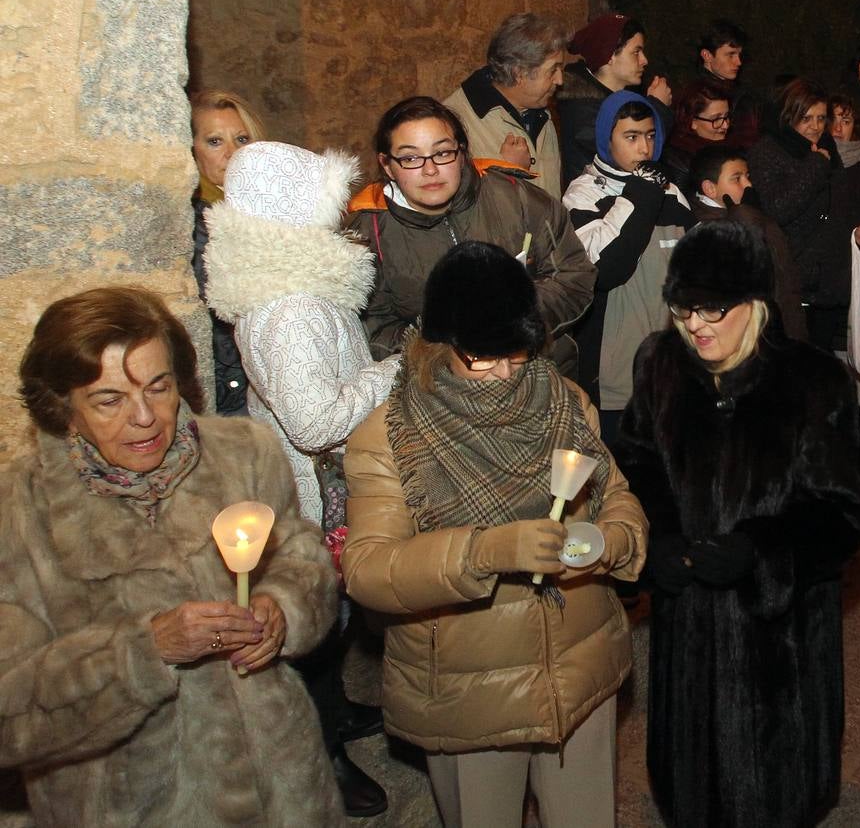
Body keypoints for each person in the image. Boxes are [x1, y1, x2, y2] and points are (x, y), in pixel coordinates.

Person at [2, 286, 343, 826]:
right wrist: (145, 651)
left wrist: (282, 608)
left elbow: (302, 559)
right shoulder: (20, 513)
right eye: (109, 399)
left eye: (159, 388)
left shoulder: (244, 453)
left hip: (285, 795)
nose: (145, 417)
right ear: (63, 404)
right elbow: (11, 710)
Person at [342, 241, 647, 828]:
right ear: (441, 343)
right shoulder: (391, 435)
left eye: (517, 354)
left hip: (579, 661)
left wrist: (612, 542)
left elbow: (617, 496)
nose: (506, 373)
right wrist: (482, 551)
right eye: (483, 358)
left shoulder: (562, 401)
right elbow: (369, 570)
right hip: (467, 688)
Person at [613, 219, 860, 827]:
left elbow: (845, 510)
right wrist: (658, 540)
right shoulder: (660, 364)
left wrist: (761, 551)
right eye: (682, 311)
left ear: (754, 300)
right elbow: (635, 465)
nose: (695, 326)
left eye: (712, 310)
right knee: (691, 780)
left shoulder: (812, 380)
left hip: (778, 632)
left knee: (774, 787)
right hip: (689, 622)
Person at [204, 141, 400, 816]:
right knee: (316, 622)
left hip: (331, 481)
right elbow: (315, 422)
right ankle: (322, 752)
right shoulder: (289, 311)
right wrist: (392, 370)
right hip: (318, 488)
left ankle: (339, 711)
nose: (340, 209)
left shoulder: (297, 290)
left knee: (333, 619)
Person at [349, 96, 595, 376]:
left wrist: (509, 322)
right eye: (411, 158)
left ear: (461, 152)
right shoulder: (369, 233)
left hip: (540, 372)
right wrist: (444, 352)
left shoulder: (518, 198)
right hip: (439, 389)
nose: (430, 169)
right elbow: (371, 325)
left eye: (442, 153)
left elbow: (574, 275)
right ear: (387, 165)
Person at [562, 90, 694, 439]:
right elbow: (607, 269)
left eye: (650, 136)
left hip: (671, 369)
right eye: (631, 137)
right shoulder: (582, 194)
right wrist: (641, 190)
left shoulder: (671, 191)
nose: (644, 149)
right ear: (607, 138)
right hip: (613, 375)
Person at [748, 79, 860, 354]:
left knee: (819, 360)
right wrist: (816, 166)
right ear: (789, 116)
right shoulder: (768, 150)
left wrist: (855, 233)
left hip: (827, 275)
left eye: (821, 118)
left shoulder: (827, 145)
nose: (816, 127)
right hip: (791, 274)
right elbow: (778, 209)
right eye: (806, 118)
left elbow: (836, 205)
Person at [189, 89, 264, 416]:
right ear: (193, 151)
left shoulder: (274, 210)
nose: (232, 153)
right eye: (215, 141)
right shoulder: (195, 224)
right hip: (233, 395)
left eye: (242, 139)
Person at [687, 143, 807, 341]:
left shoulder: (748, 212)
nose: (748, 185)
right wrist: (746, 215)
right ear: (710, 188)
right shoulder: (704, 228)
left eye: (747, 176)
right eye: (736, 179)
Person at [444, 12, 567, 197]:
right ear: (519, 73)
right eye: (552, 70)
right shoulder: (452, 124)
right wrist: (509, 176)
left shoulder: (540, 113)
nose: (560, 80)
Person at [557, 13, 673, 185]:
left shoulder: (616, 99)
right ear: (609, 55)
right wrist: (659, 108)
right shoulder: (581, 107)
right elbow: (625, 155)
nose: (644, 60)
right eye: (636, 52)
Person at [693, 19, 760, 146]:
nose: (738, 62)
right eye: (730, 55)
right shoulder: (693, 97)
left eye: (739, 55)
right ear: (707, 55)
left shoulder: (743, 94)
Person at [661, 78, 732, 189]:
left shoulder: (730, 147)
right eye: (716, 119)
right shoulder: (679, 162)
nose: (725, 125)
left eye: (726, 116)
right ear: (692, 122)